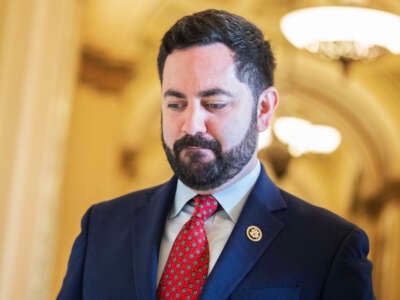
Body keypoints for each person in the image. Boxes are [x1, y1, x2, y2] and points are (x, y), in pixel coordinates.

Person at [58, 9, 374, 300]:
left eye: (214, 104)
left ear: (263, 109)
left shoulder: (329, 246)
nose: (190, 124)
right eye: (175, 104)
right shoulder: (102, 227)